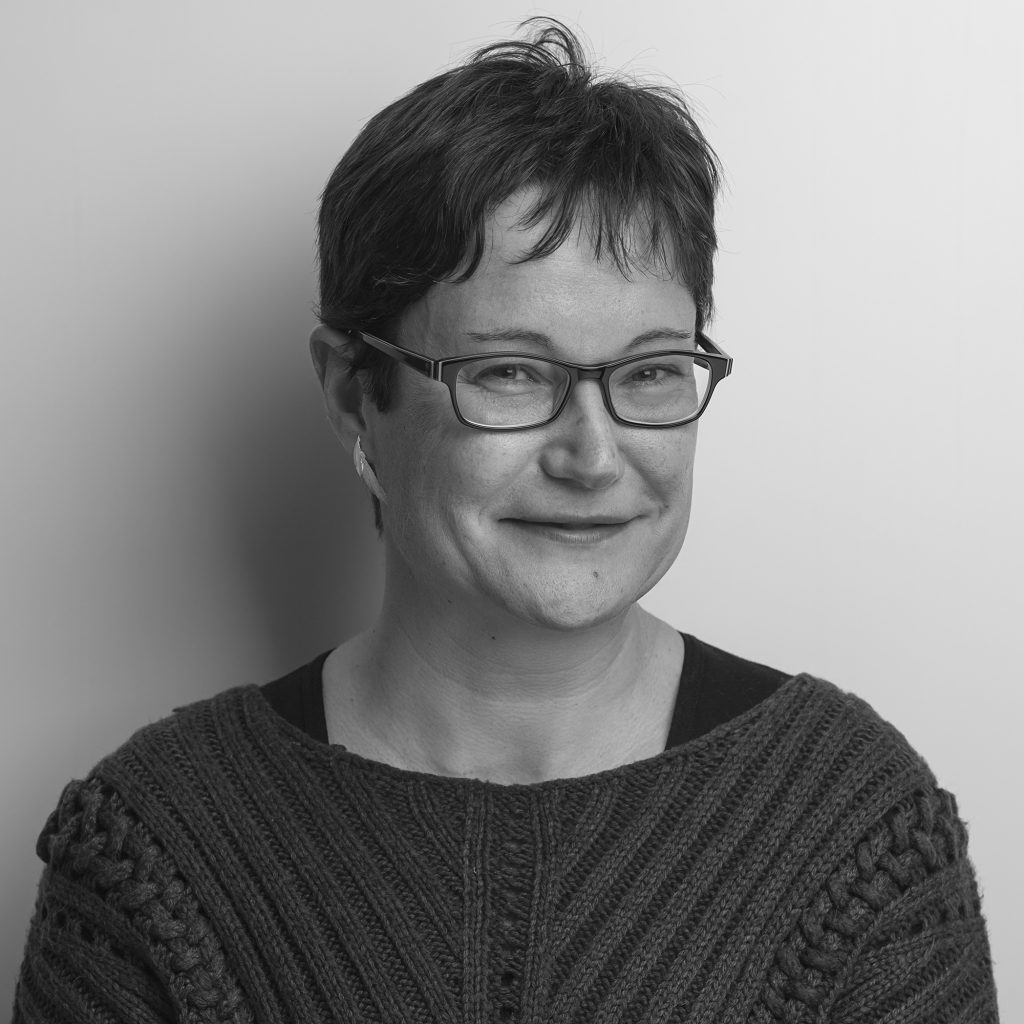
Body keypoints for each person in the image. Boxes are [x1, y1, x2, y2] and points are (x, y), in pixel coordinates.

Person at [12, 20, 998, 1024]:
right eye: (512, 372)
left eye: (650, 371)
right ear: (354, 394)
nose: (593, 456)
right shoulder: (158, 849)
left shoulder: (851, 828)